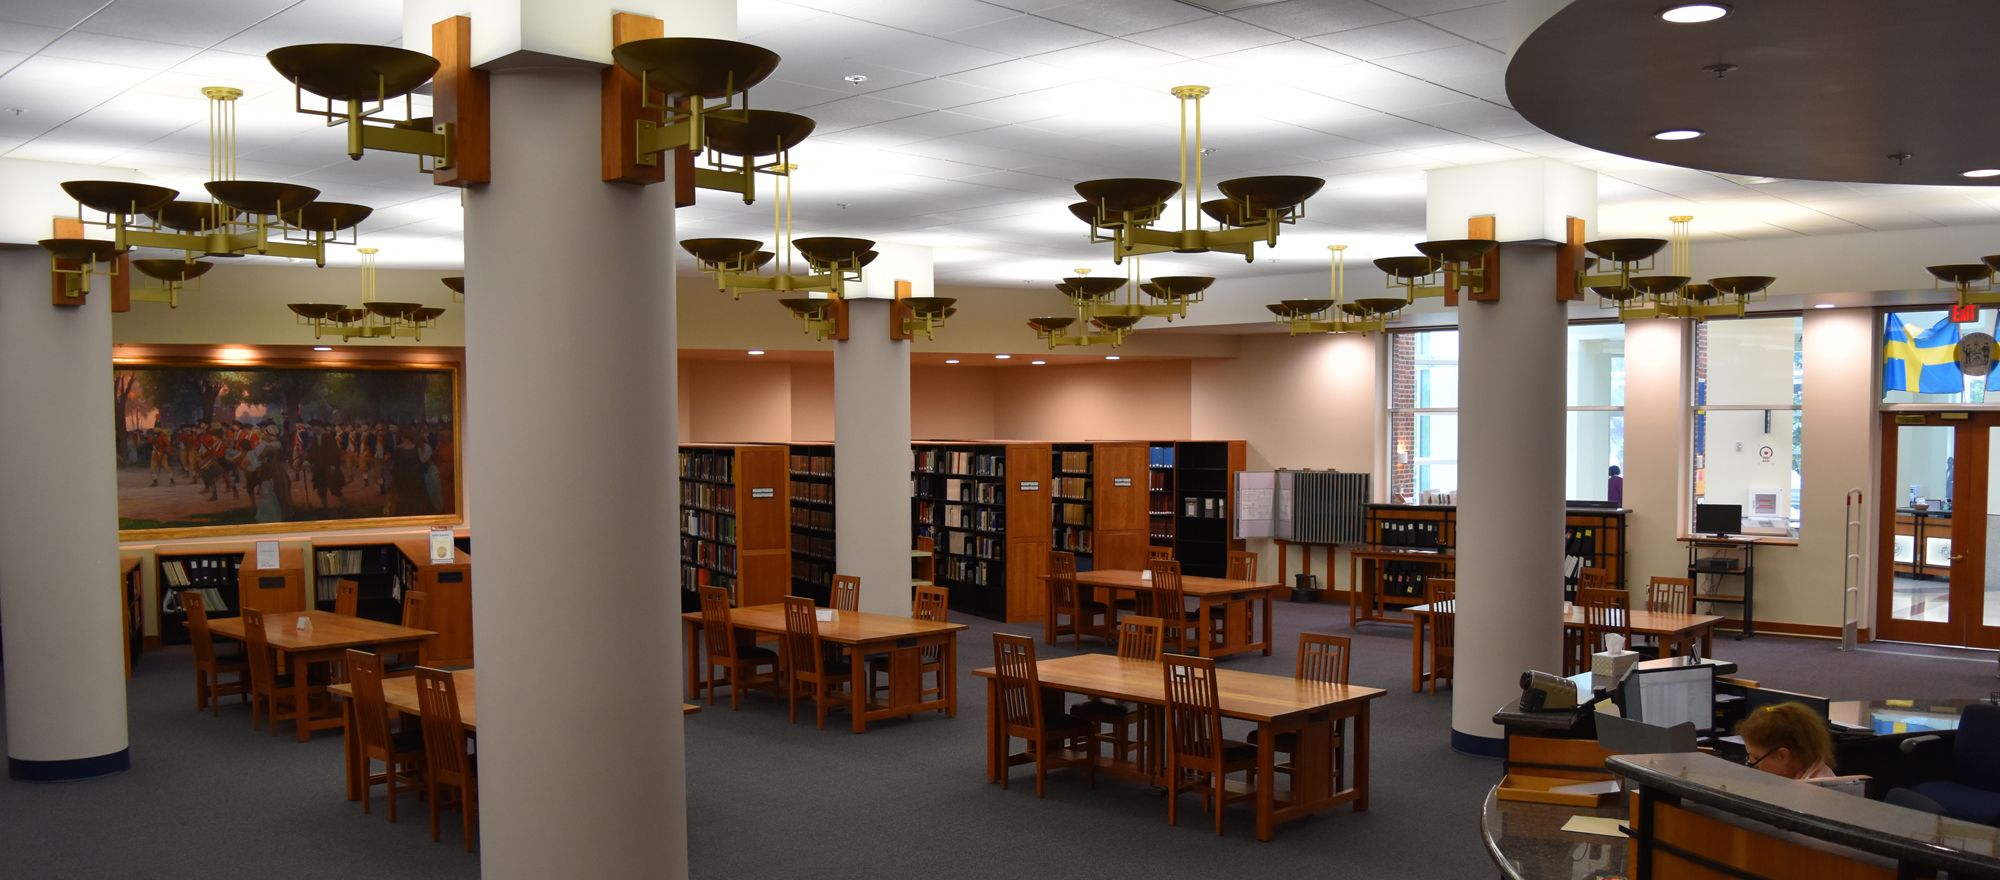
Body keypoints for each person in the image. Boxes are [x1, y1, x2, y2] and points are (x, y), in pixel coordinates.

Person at [1737, 703, 1836, 780]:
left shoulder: (1817, 795)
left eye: (1756, 758)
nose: (1751, 763)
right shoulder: (1792, 775)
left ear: (1783, 756)